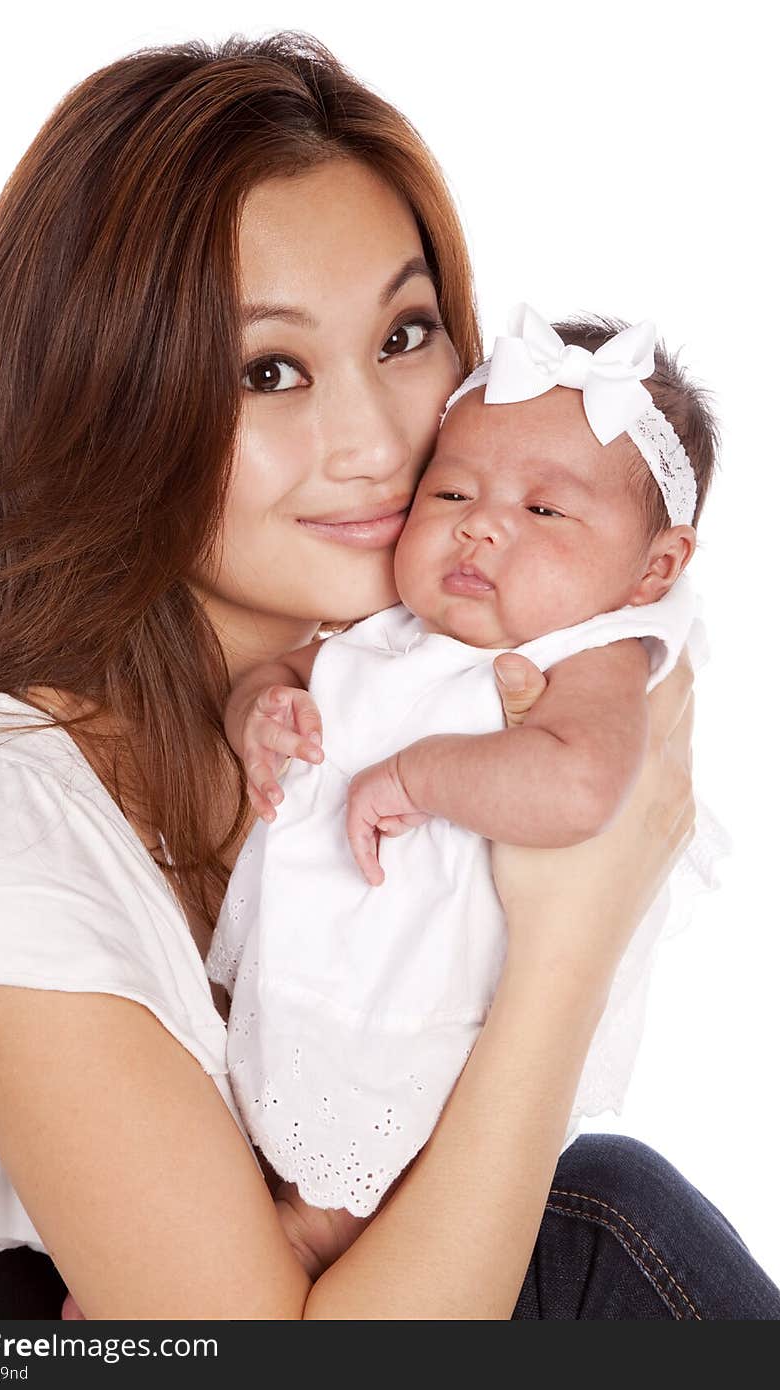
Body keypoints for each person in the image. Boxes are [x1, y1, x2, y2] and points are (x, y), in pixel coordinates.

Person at [0, 33, 777, 1320]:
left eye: (407, 333)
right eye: (270, 371)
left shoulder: (350, 716)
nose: (377, 443)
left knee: (603, 1212)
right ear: (107, 406)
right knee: (602, 1227)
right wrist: (570, 940)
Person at [205, 307, 728, 1228]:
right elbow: (295, 670)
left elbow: (577, 785)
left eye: (544, 509)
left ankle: (291, 1257)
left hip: (445, 1002)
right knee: (255, 1120)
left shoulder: (597, 653)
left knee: (366, 1181)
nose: (480, 528)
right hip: (325, 966)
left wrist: (419, 777)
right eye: (451, 495)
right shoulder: (400, 623)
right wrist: (266, 707)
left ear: (655, 570)